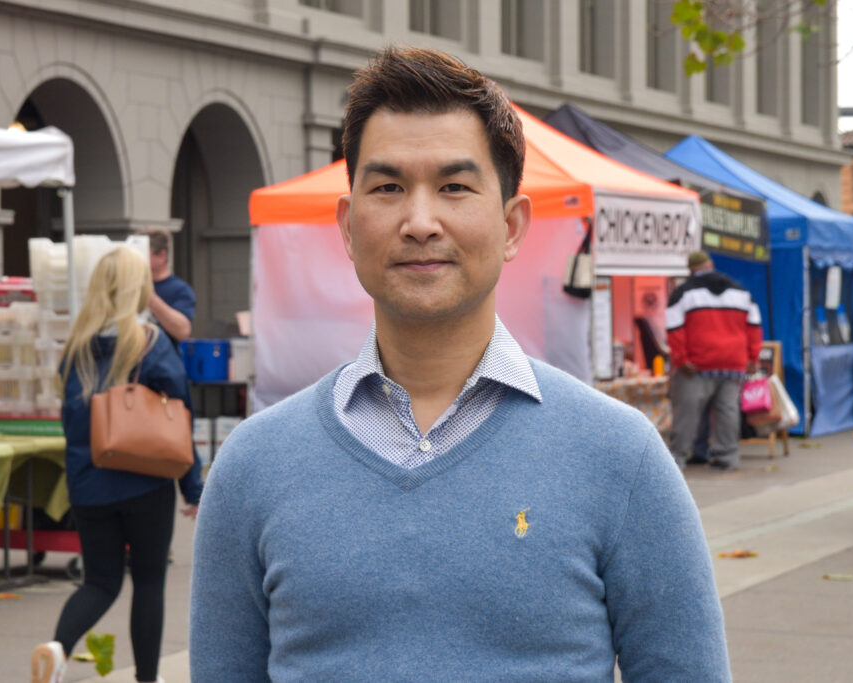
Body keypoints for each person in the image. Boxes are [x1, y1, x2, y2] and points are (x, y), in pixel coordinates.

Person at [190, 47, 729, 681]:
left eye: (454, 187)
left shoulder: (620, 457)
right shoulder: (253, 467)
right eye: (388, 187)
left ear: (511, 225)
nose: (420, 222)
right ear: (346, 224)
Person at [31, 247, 203, 683]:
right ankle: (147, 678)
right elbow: (179, 415)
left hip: (90, 485)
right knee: (148, 582)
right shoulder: (148, 341)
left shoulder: (76, 348)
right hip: (146, 483)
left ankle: (57, 649)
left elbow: (70, 423)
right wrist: (192, 486)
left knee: (100, 582)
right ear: (138, 289)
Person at [666, 251, 762, 471]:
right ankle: (727, 457)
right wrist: (753, 357)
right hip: (733, 362)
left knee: (687, 412)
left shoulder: (683, 293)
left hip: (697, 363)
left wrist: (681, 359)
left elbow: (674, 329)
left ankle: (677, 459)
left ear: (690, 270)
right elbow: (754, 326)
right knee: (727, 410)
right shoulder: (741, 291)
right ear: (711, 264)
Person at [137, 228, 195, 345]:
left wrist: (152, 300)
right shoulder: (131, 285)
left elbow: (183, 331)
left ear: (162, 256)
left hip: (163, 360)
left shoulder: (180, 290)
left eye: (143, 253)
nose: (138, 258)